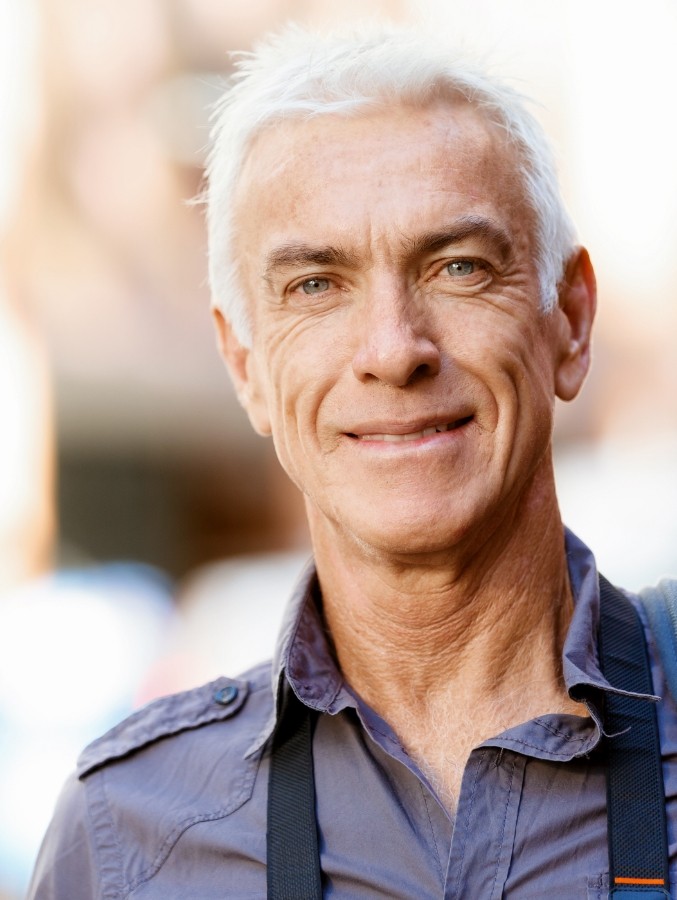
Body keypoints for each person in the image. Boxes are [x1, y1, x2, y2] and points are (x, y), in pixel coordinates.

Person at [28, 24, 677, 899]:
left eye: (456, 266)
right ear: (246, 367)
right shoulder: (128, 840)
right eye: (315, 286)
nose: (392, 350)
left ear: (568, 319)